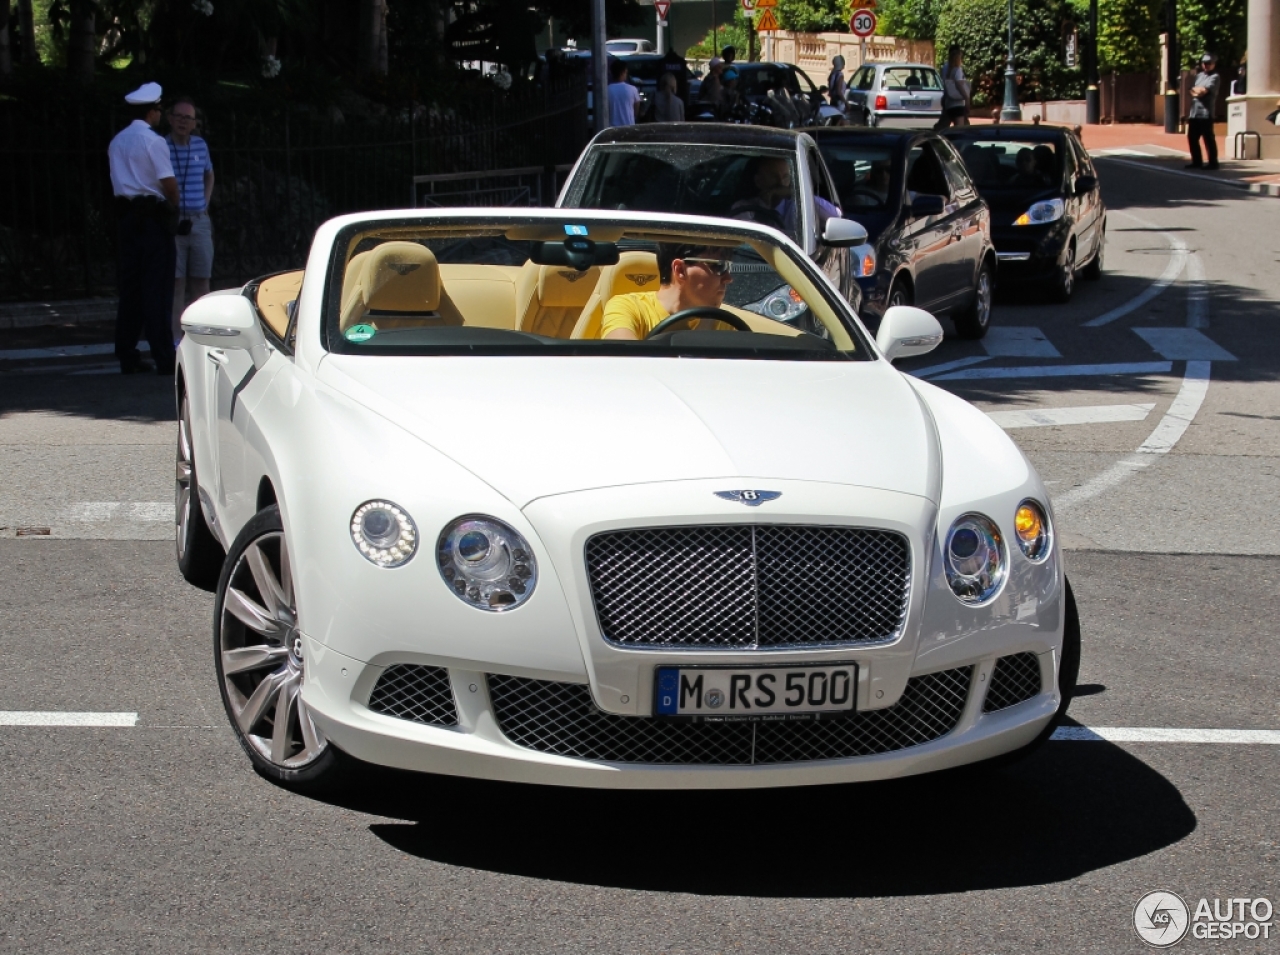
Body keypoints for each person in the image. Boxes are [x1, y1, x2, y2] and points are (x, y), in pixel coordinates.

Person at [108, 81, 179, 375]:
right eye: (160, 110)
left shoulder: (117, 141)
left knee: (131, 288)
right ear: (152, 112)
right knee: (157, 289)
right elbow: (168, 183)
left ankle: (127, 353)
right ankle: (164, 355)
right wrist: (174, 206)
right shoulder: (154, 141)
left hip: (127, 218)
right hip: (152, 217)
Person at [601, 243, 733, 340]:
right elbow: (621, 358)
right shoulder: (628, 308)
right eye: (718, 266)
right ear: (680, 270)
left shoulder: (723, 322)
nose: (728, 278)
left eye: (728, 267)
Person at [167, 95, 215, 342]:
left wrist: (205, 202)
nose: (183, 122)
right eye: (179, 116)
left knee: (201, 281)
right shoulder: (162, 146)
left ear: (195, 122)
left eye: (188, 118)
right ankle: (177, 339)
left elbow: (209, 174)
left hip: (198, 220)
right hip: (175, 221)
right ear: (170, 119)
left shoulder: (200, 145)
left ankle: (203, 337)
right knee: (177, 283)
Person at [1187, 53, 1220, 170]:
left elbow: (1204, 91)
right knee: (1192, 137)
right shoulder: (1199, 76)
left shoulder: (1215, 77)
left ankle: (1213, 162)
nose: (1206, 65)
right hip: (1194, 112)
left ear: (1213, 64)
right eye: (1204, 63)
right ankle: (1197, 161)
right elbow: (1191, 90)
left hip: (1206, 112)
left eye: (1209, 63)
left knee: (1208, 138)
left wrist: (1198, 91)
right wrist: (1197, 91)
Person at [935, 45, 970, 130]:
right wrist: (966, 97)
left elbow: (945, 83)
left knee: (944, 125)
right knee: (961, 129)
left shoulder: (946, 68)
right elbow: (959, 84)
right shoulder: (957, 70)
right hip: (958, 103)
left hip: (948, 101)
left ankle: (937, 135)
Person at [607, 59, 640, 127]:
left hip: (612, 128)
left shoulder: (607, 90)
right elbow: (636, 108)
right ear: (623, 72)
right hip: (629, 126)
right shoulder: (632, 89)